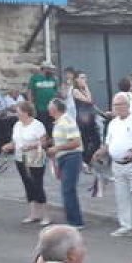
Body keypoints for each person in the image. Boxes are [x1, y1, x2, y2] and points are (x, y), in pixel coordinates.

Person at [94, 94, 132, 241]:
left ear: (128, 105)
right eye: (115, 105)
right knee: (122, 197)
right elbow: (108, 144)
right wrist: (99, 153)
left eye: (121, 104)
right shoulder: (113, 123)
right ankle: (126, 226)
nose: (118, 108)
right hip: (117, 164)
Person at [2, 101, 48, 225]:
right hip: (20, 158)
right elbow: (15, 142)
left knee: (37, 184)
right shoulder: (17, 125)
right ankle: (34, 214)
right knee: (28, 184)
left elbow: (44, 143)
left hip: (35, 158)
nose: (17, 114)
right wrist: (8, 146)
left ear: (26, 112)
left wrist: (32, 145)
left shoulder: (37, 125)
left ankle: (45, 215)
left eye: (18, 111)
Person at [48, 98, 84, 229]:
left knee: (68, 189)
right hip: (63, 157)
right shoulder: (58, 122)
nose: (48, 110)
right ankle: (72, 219)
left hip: (71, 156)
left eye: (50, 107)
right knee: (66, 189)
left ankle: (76, 221)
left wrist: (57, 148)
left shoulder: (67, 121)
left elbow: (76, 142)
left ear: (55, 109)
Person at [70, 71, 100, 166]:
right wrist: (86, 87)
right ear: (76, 79)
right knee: (85, 140)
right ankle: (85, 161)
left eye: (85, 78)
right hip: (82, 118)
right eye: (82, 78)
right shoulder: (75, 91)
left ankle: (91, 158)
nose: (84, 80)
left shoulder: (85, 90)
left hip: (90, 117)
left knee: (96, 139)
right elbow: (88, 100)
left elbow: (92, 102)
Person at [29, 61, 59, 131]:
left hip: (52, 107)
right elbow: (30, 91)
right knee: (42, 125)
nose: (51, 71)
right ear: (45, 69)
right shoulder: (35, 78)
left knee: (53, 125)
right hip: (40, 107)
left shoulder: (53, 78)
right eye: (50, 69)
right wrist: (31, 104)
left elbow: (56, 91)